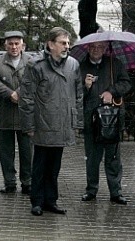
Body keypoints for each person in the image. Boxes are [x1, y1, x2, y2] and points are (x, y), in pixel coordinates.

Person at [19, 27, 83, 216]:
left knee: (55, 166)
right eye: (62, 43)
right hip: (43, 123)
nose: (67, 47)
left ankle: (51, 200)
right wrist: (28, 125)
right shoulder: (36, 65)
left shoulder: (73, 65)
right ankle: (37, 201)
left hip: (63, 123)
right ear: (50, 44)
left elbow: (78, 95)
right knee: (40, 164)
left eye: (68, 43)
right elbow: (27, 97)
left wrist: (76, 122)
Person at [80, 41, 132, 205]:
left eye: (100, 47)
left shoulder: (115, 64)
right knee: (93, 158)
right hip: (92, 120)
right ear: (88, 48)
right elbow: (74, 93)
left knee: (113, 158)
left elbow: (126, 83)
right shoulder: (81, 66)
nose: (96, 50)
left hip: (113, 120)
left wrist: (112, 91)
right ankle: (91, 190)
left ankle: (116, 192)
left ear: (105, 48)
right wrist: (85, 87)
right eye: (93, 47)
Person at [0, 30, 32, 195]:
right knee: (6, 153)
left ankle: (27, 182)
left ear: (23, 45)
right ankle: (9, 183)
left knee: (27, 152)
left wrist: (19, 93)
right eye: (10, 44)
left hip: (25, 115)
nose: (14, 47)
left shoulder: (31, 61)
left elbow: (33, 80)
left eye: (17, 43)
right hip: (4, 114)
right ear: (5, 45)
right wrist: (9, 93)